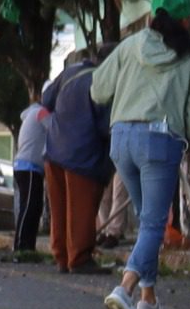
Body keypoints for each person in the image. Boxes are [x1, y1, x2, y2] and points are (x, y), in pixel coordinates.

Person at [90, 0, 190, 309]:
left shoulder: (129, 46)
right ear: (185, 20)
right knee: (154, 223)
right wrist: (186, 139)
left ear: (153, 14)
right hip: (160, 141)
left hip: (121, 140)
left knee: (148, 219)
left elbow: (98, 90)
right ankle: (125, 289)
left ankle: (149, 300)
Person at [39, 46, 113, 275]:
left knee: (59, 209)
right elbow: (106, 125)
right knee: (81, 210)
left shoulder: (71, 72)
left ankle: (61, 257)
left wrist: (55, 124)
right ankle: (79, 258)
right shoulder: (105, 82)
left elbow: (45, 99)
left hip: (54, 152)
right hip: (83, 156)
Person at [10, 100, 49, 255]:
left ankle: (27, 246)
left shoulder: (30, 115)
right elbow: (55, 128)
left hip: (24, 166)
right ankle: (21, 245)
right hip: (30, 167)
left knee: (33, 207)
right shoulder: (41, 113)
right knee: (29, 207)